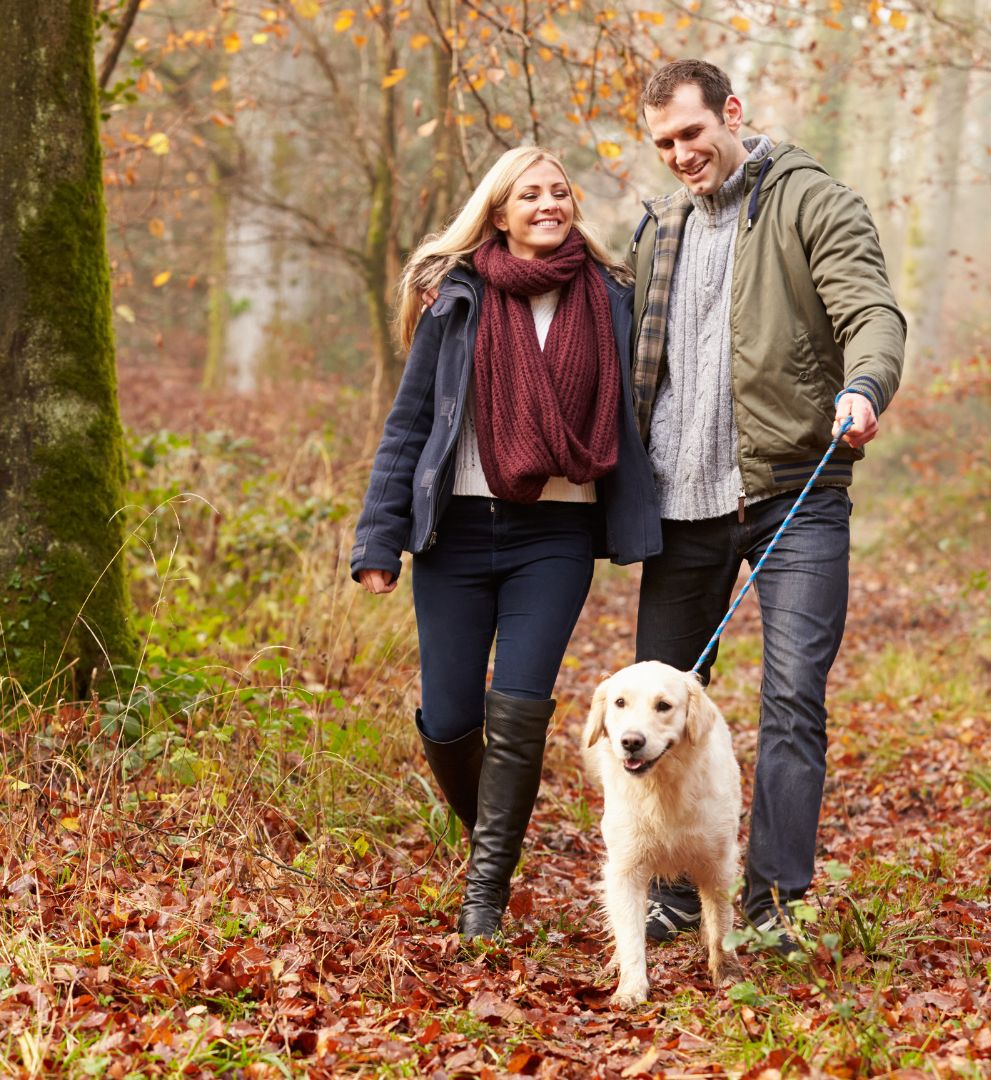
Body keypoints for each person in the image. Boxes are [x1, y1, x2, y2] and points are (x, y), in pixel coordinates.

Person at [628, 60, 905, 949]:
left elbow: (872, 313)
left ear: (732, 113)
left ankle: (775, 904)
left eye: (692, 132)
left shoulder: (813, 202)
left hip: (796, 491)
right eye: (664, 143)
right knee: (658, 709)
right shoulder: (658, 228)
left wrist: (864, 385)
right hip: (681, 505)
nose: (681, 154)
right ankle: (677, 891)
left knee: (792, 697)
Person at [351, 147, 661, 940]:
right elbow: (410, 422)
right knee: (448, 717)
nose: (549, 204)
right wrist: (378, 538)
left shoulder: (611, 296)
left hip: (554, 537)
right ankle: (495, 830)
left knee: (519, 713)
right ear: (499, 213)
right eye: (530, 195)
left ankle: (484, 893)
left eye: (560, 192)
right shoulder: (457, 297)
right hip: (454, 535)